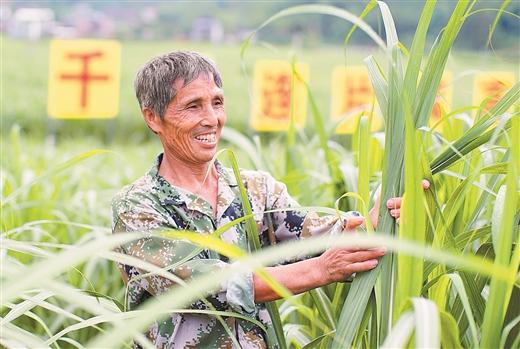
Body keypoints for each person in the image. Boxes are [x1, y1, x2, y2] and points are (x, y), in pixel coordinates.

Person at [112, 50, 415, 348]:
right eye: (193, 106)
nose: (212, 119)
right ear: (153, 117)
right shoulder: (138, 207)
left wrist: (378, 219)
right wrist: (321, 269)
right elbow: (207, 284)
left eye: (217, 102)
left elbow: (320, 239)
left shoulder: (255, 189)